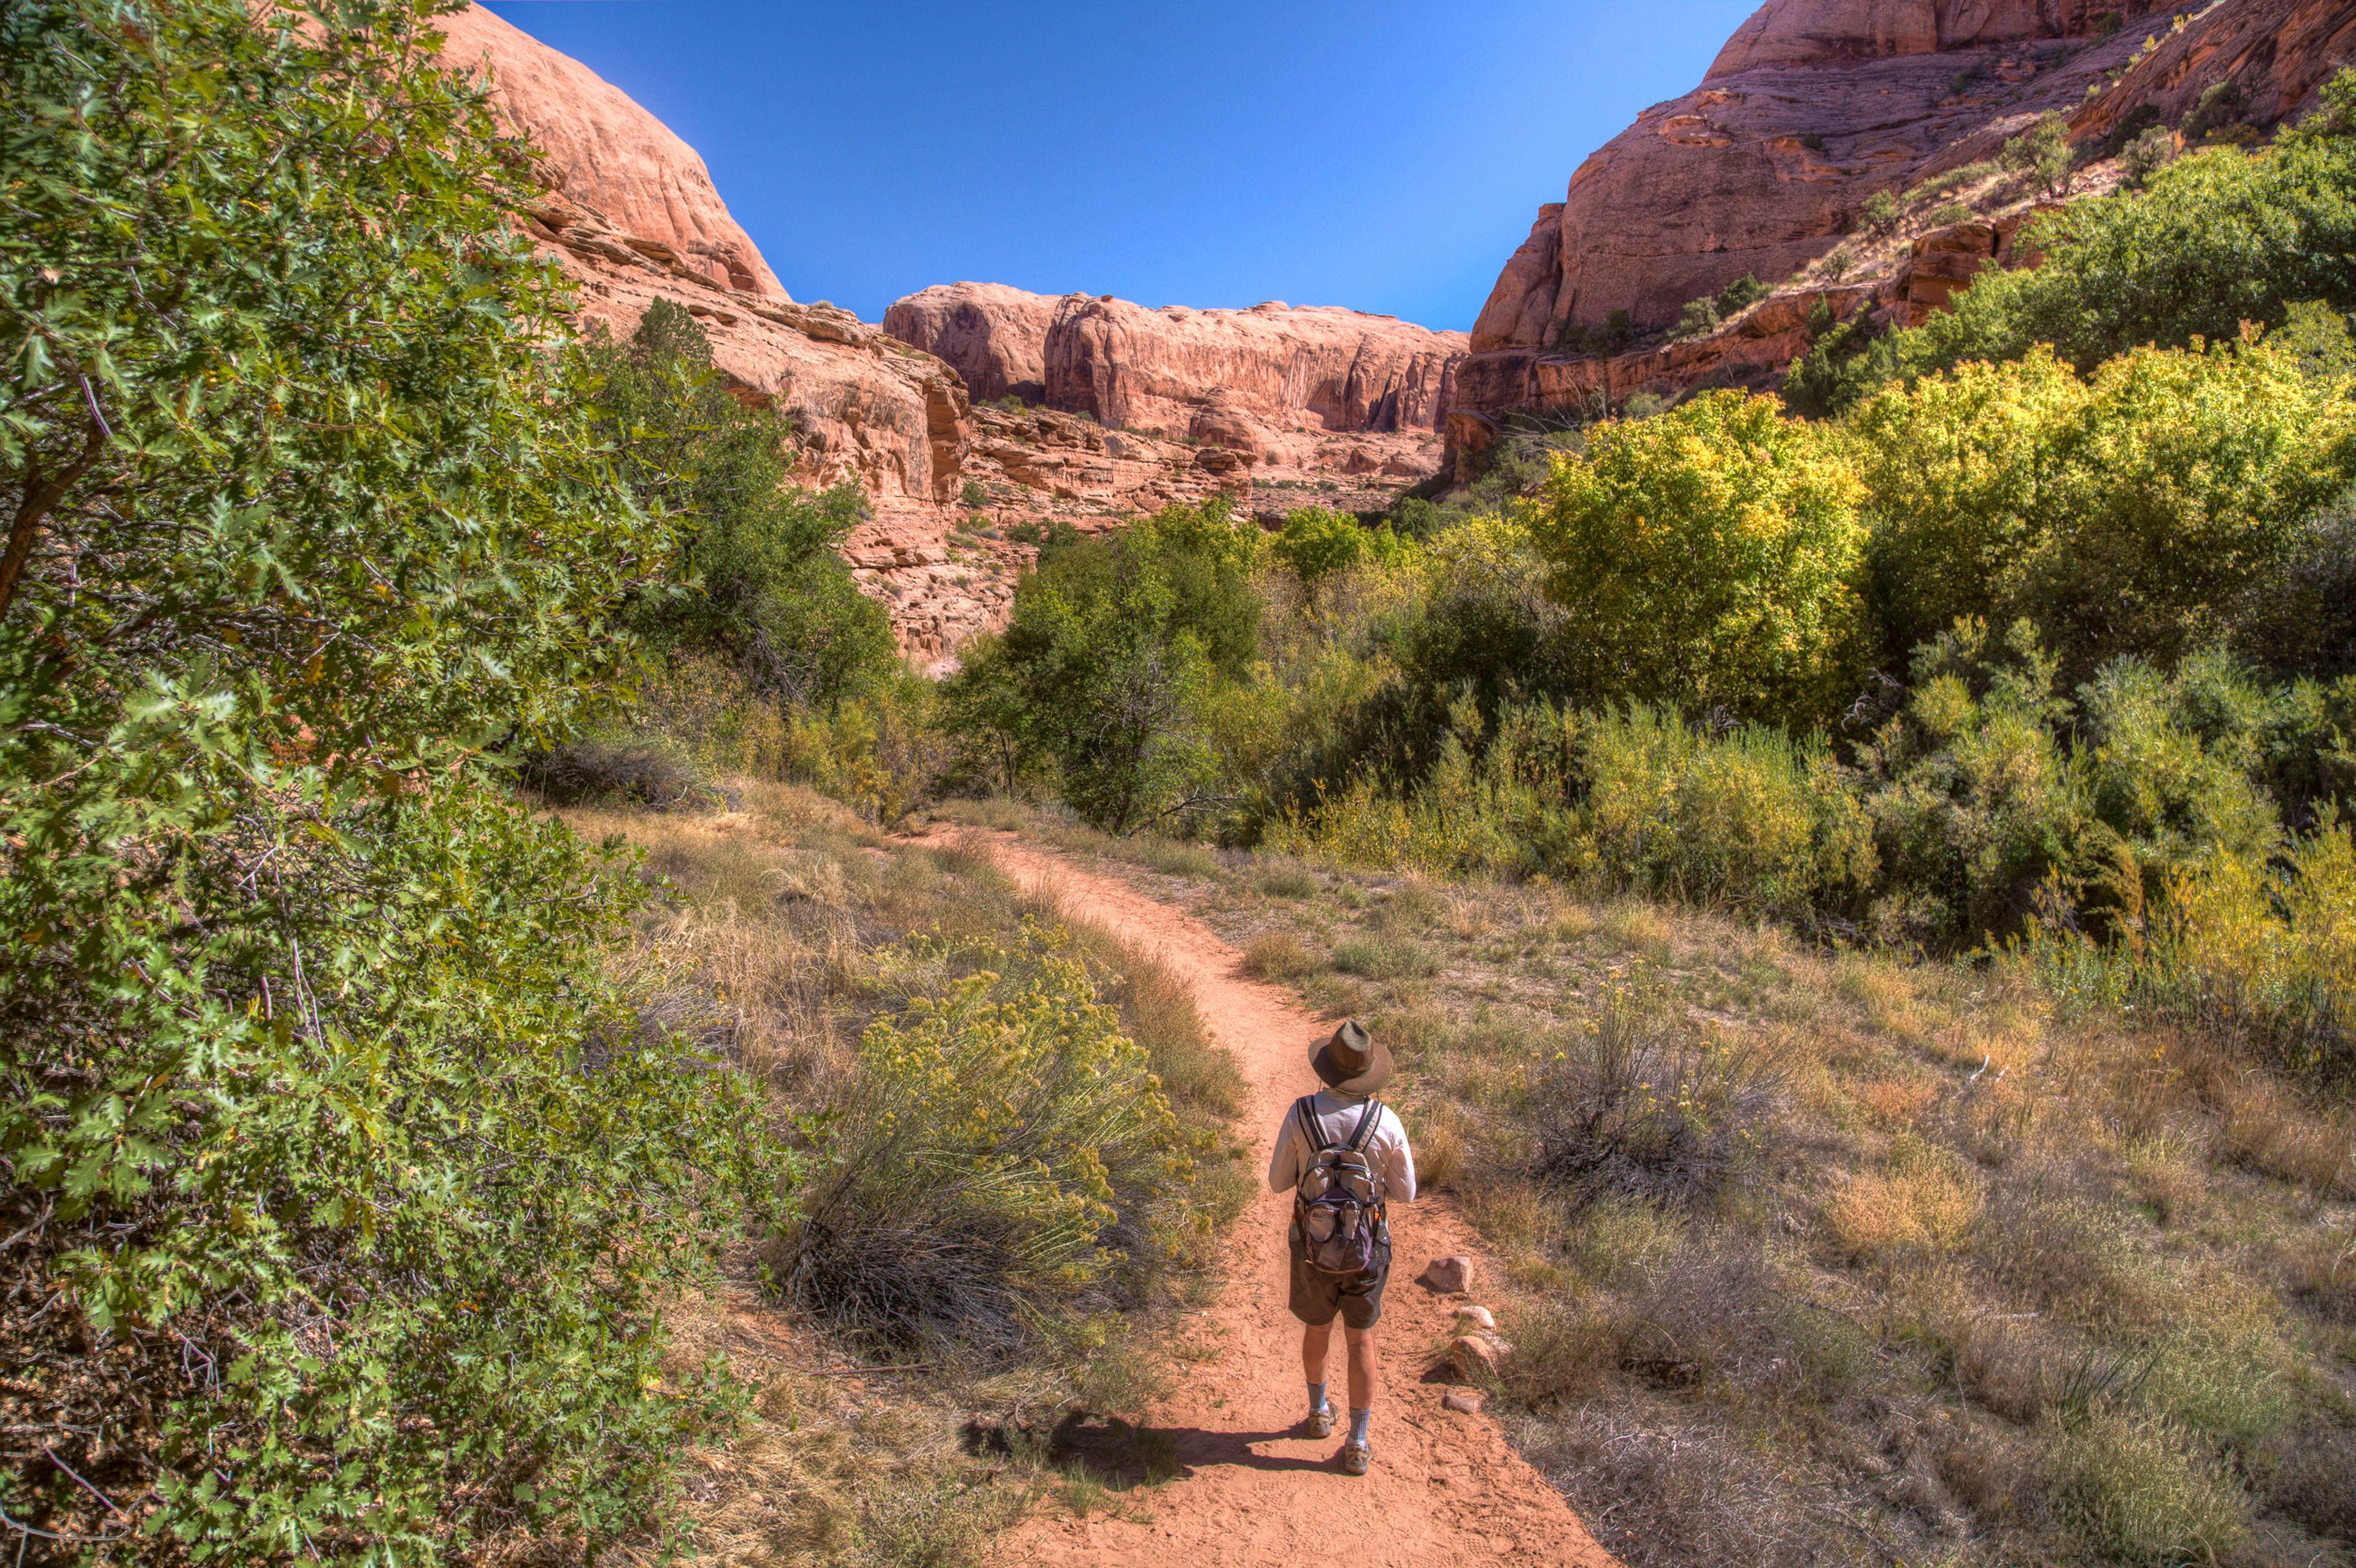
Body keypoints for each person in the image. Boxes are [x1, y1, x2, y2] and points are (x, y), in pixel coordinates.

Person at [1266, 1019, 1416, 1475]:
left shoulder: (1301, 1113)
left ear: (1327, 1069)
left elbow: (1278, 1183)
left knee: (1316, 1330)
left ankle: (1317, 1414)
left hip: (1312, 1245)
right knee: (1360, 1339)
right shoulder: (1385, 1121)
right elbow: (1406, 1193)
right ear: (1369, 1073)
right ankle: (1358, 1441)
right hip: (1367, 1249)